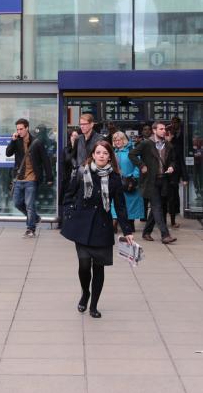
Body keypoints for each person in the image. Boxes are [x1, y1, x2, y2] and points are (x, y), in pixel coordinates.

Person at [62, 140, 133, 319]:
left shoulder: (115, 178)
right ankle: (85, 293)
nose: (101, 155)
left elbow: (121, 206)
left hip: (102, 227)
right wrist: (70, 212)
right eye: (98, 152)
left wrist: (127, 231)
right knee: (84, 265)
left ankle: (93, 305)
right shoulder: (81, 172)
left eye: (105, 153)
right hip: (82, 226)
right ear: (93, 155)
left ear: (110, 156)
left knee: (99, 268)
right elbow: (68, 195)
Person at [129, 121, 177, 244]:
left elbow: (173, 160)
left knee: (158, 207)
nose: (164, 131)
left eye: (164, 129)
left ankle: (146, 232)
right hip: (150, 180)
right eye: (161, 129)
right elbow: (132, 154)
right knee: (157, 207)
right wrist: (141, 165)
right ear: (154, 130)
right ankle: (165, 235)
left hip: (164, 179)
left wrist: (171, 166)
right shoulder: (146, 144)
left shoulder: (168, 145)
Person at [6, 118, 53, 238]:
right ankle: (35, 218)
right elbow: (8, 153)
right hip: (19, 178)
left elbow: (45, 160)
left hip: (32, 178)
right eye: (17, 129)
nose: (19, 131)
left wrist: (49, 177)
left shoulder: (36, 142)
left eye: (21, 129)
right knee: (17, 203)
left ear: (27, 128)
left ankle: (30, 229)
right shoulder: (16, 141)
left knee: (29, 204)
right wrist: (12, 141)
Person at [111, 131, 144, 232]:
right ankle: (114, 223)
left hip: (129, 183)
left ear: (124, 140)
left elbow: (139, 165)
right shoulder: (113, 152)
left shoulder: (132, 151)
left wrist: (133, 177)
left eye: (119, 139)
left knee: (131, 204)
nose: (117, 142)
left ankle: (130, 224)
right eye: (115, 140)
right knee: (115, 203)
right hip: (116, 183)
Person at [58, 129, 79, 229]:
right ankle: (63, 222)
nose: (74, 137)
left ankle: (74, 222)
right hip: (67, 179)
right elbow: (65, 161)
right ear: (69, 137)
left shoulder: (81, 149)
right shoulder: (66, 149)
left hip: (78, 179)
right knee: (65, 200)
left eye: (76, 136)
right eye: (72, 136)